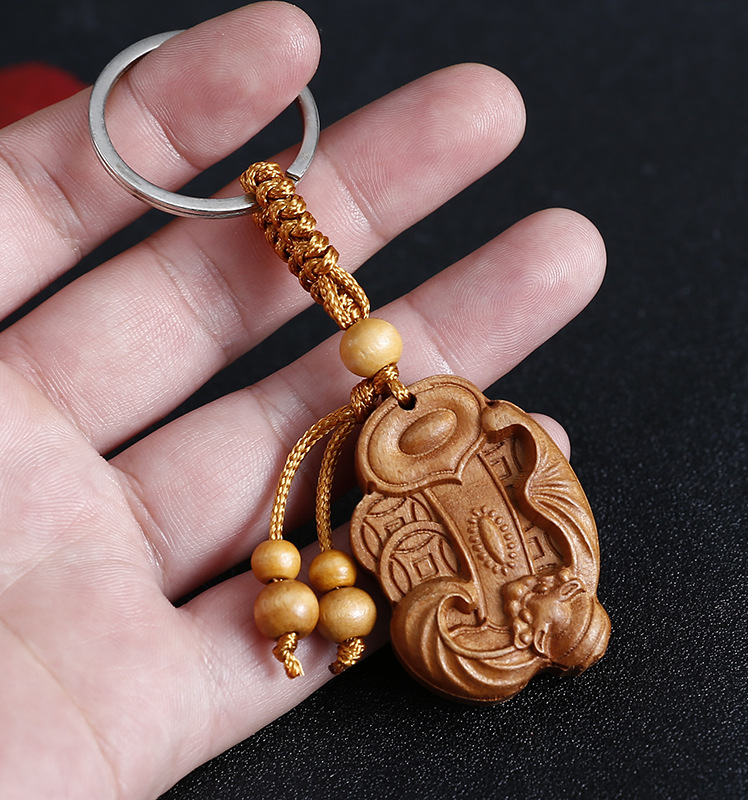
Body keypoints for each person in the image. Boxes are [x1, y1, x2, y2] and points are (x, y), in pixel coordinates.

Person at [0, 3, 605, 797]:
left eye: (550, 621)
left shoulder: (521, 589)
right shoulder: (513, 581)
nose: (538, 605)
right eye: (556, 613)